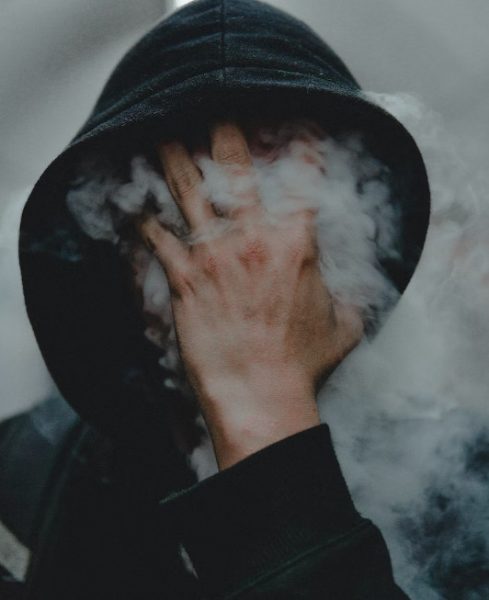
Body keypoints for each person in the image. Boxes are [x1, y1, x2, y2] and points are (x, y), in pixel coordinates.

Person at [0, 0, 430, 597]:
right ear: (118, 256)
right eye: (185, 224)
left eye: (290, 225)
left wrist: (267, 418)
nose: (241, 267)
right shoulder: (21, 475)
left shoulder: (463, 480)